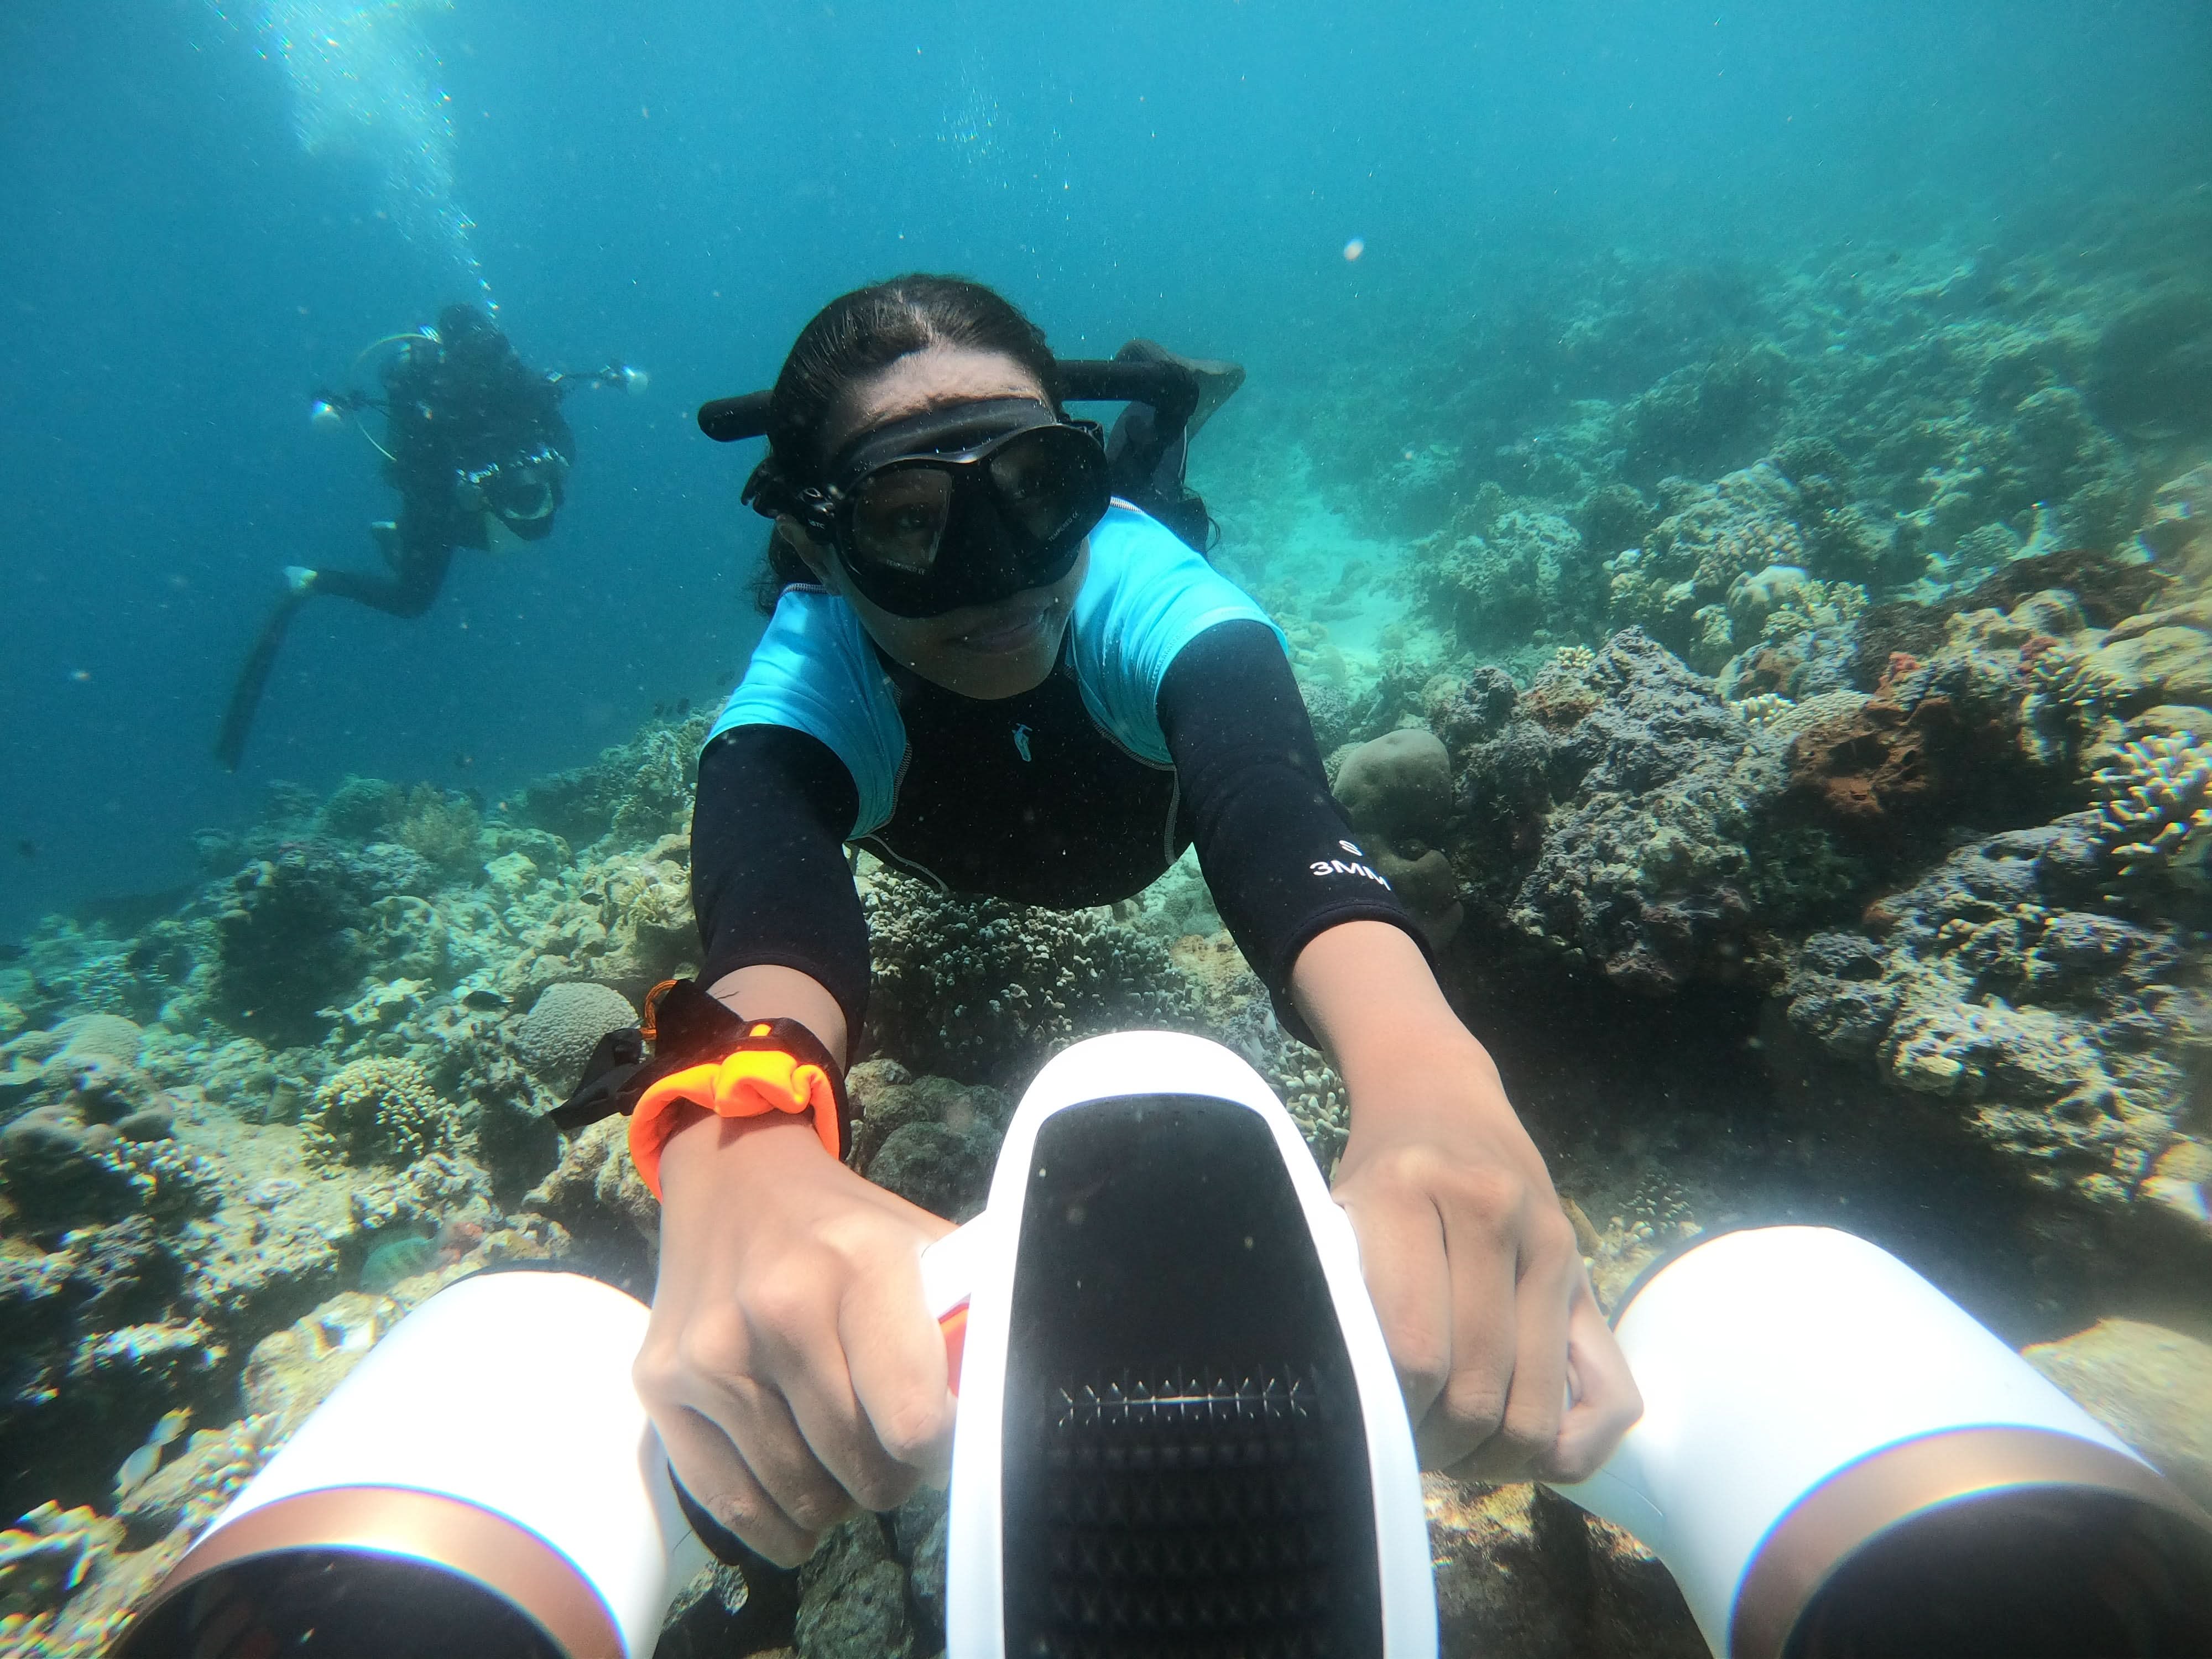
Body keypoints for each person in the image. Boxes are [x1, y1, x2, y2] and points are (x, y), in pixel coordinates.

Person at [631, 275, 1641, 1571]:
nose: (997, 576)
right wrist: (735, 1153)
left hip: (1134, 697)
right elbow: (764, 941)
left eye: (1041, 489)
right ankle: (1128, 414)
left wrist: (1433, 1077)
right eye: (906, 517)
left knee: (1164, 506)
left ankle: (1152, 418)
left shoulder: (1147, 588)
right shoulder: (796, 700)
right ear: (823, 544)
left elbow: (1281, 819)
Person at [214, 304, 632, 770]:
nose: (486, 357)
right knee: (412, 600)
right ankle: (315, 580)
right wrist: (460, 489)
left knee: (537, 526)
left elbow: (560, 432)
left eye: (491, 347)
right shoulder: (427, 389)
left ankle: (397, 539)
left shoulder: (518, 380)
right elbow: (409, 466)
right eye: (474, 350)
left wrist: (555, 463)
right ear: (451, 350)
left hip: (494, 498)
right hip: (435, 506)